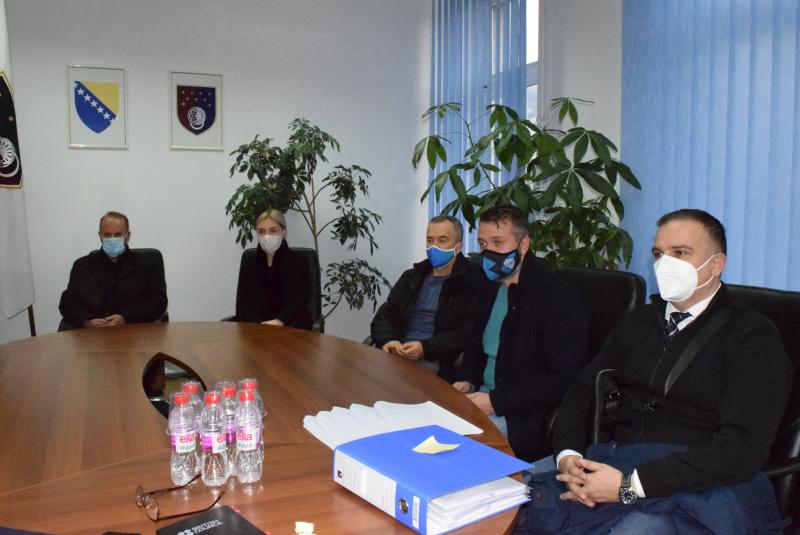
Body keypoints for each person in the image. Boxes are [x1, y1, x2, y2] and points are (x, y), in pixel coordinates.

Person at [517, 209, 792, 534]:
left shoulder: (752, 336)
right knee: (504, 497)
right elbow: (582, 391)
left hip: (698, 486)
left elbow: (742, 448)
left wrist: (629, 486)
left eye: (680, 253)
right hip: (614, 460)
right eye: (659, 254)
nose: (665, 264)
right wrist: (569, 457)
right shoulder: (639, 322)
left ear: (716, 264)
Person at [451, 205, 588, 462]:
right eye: (483, 244)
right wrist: (467, 380)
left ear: (523, 245)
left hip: (521, 413)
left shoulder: (554, 295)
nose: (488, 252)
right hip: (480, 398)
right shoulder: (487, 286)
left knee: (453, 449)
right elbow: (475, 346)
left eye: (498, 243)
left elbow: (563, 377)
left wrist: (496, 402)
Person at [370, 215, 481, 381]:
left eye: (442, 240)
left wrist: (425, 348)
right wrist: (388, 340)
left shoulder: (471, 281)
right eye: (430, 240)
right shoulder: (412, 277)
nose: (433, 246)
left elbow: (467, 333)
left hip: (435, 360)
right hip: (398, 352)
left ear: (458, 247)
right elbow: (384, 315)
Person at [59, 211, 168, 329]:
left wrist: (126, 318)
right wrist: (86, 321)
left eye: (117, 234)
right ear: (100, 235)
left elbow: (159, 302)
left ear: (127, 235)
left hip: (134, 332)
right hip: (93, 335)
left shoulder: (147, 265)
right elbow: (67, 302)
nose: (112, 239)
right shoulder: (82, 266)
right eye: (107, 235)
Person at [235, 209, 312, 329]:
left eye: (273, 231)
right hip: (255, 328)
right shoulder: (249, 261)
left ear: (284, 232)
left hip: (291, 326)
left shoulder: (299, 260)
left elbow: (299, 300)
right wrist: (259, 325)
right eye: (262, 231)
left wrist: (280, 320)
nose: (267, 236)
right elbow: (243, 302)